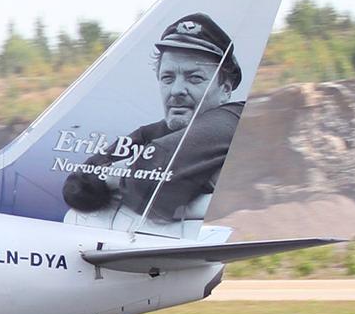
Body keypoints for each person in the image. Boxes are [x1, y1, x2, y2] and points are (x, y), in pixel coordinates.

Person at [61, 15, 243, 233]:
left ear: (226, 89)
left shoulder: (233, 120)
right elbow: (77, 186)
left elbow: (153, 186)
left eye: (194, 78)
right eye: (167, 78)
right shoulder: (154, 133)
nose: (176, 90)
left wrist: (116, 176)